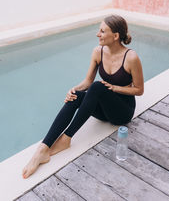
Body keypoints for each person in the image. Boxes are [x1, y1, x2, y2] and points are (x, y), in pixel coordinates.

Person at [22, 14, 144, 179]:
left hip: (122, 112)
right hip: (104, 111)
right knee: (77, 96)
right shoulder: (97, 52)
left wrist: (115, 88)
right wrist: (73, 89)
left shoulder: (131, 57)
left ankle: (67, 138)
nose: (97, 34)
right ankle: (43, 148)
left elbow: (139, 90)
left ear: (115, 36)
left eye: (102, 31)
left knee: (98, 86)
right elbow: (88, 81)